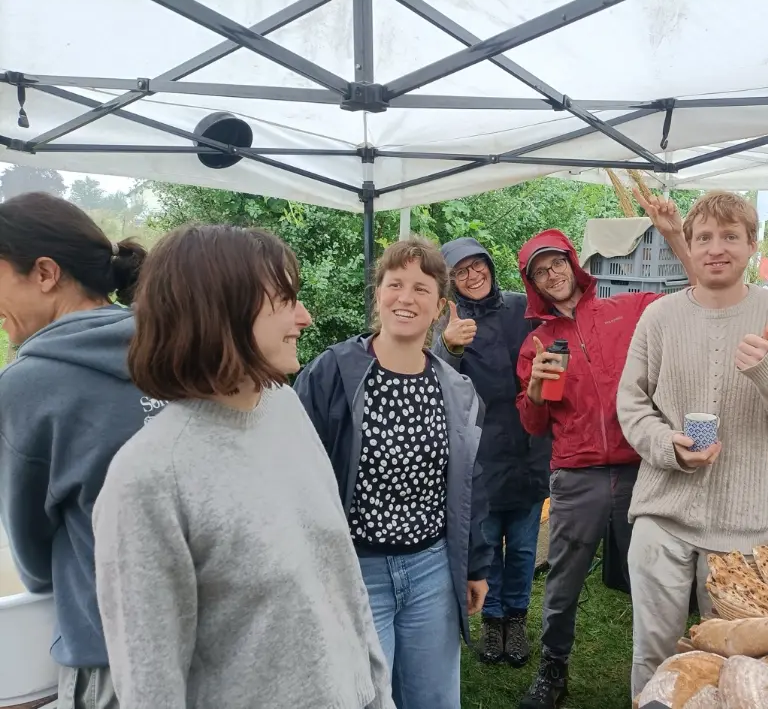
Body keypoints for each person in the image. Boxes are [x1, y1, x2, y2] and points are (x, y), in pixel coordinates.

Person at [92, 224, 393, 709]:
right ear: (221, 312)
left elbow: (342, 580)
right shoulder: (149, 478)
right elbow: (151, 687)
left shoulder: (284, 407)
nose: (305, 317)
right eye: (286, 300)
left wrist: (378, 694)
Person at [616, 191, 768, 697]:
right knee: (655, 653)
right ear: (689, 245)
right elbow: (631, 404)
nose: (717, 248)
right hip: (661, 518)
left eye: (731, 236)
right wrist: (668, 445)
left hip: (741, 528)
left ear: (752, 246)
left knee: (734, 663)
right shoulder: (659, 317)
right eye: (705, 237)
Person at [514, 194, 695, 709]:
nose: (552, 275)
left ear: (573, 264)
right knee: (564, 578)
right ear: (534, 285)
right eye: (540, 272)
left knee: (656, 573)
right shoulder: (537, 344)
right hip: (577, 475)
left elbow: (695, 292)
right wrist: (534, 390)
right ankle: (553, 670)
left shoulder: (628, 309)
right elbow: (533, 425)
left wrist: (676, 236)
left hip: (642, 466)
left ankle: (674, 669)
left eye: (557, 263)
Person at [295, 237, 491, 709]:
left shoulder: (455, 388)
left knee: (434, 699)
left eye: (421, 289)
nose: (406, 297)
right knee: (366, 698)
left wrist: (475, 565)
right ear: (378, 293)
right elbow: (296, 475)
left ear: (440, 306)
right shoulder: (332, 374)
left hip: (431, 569)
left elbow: (469, 481)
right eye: (395, 284)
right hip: (357, 572)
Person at [0, 192, 150, 709]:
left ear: (45, 273)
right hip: (209, 639)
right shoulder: (177, 348)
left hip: (110, 656)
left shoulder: (28, 385)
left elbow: (33, 561)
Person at [433, 237, 550, 667]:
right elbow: (435, 379)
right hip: (479, 455)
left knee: (522, 546)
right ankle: (493, 617)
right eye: (461, 271)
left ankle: (516, 617)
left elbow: (554, 344)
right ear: (452, 281)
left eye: (477, 265)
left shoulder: (523, 308)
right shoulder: (449, 321)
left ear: (489, 265)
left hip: (528, 447)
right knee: (485, 544)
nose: (472, 275)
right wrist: (449, 346)